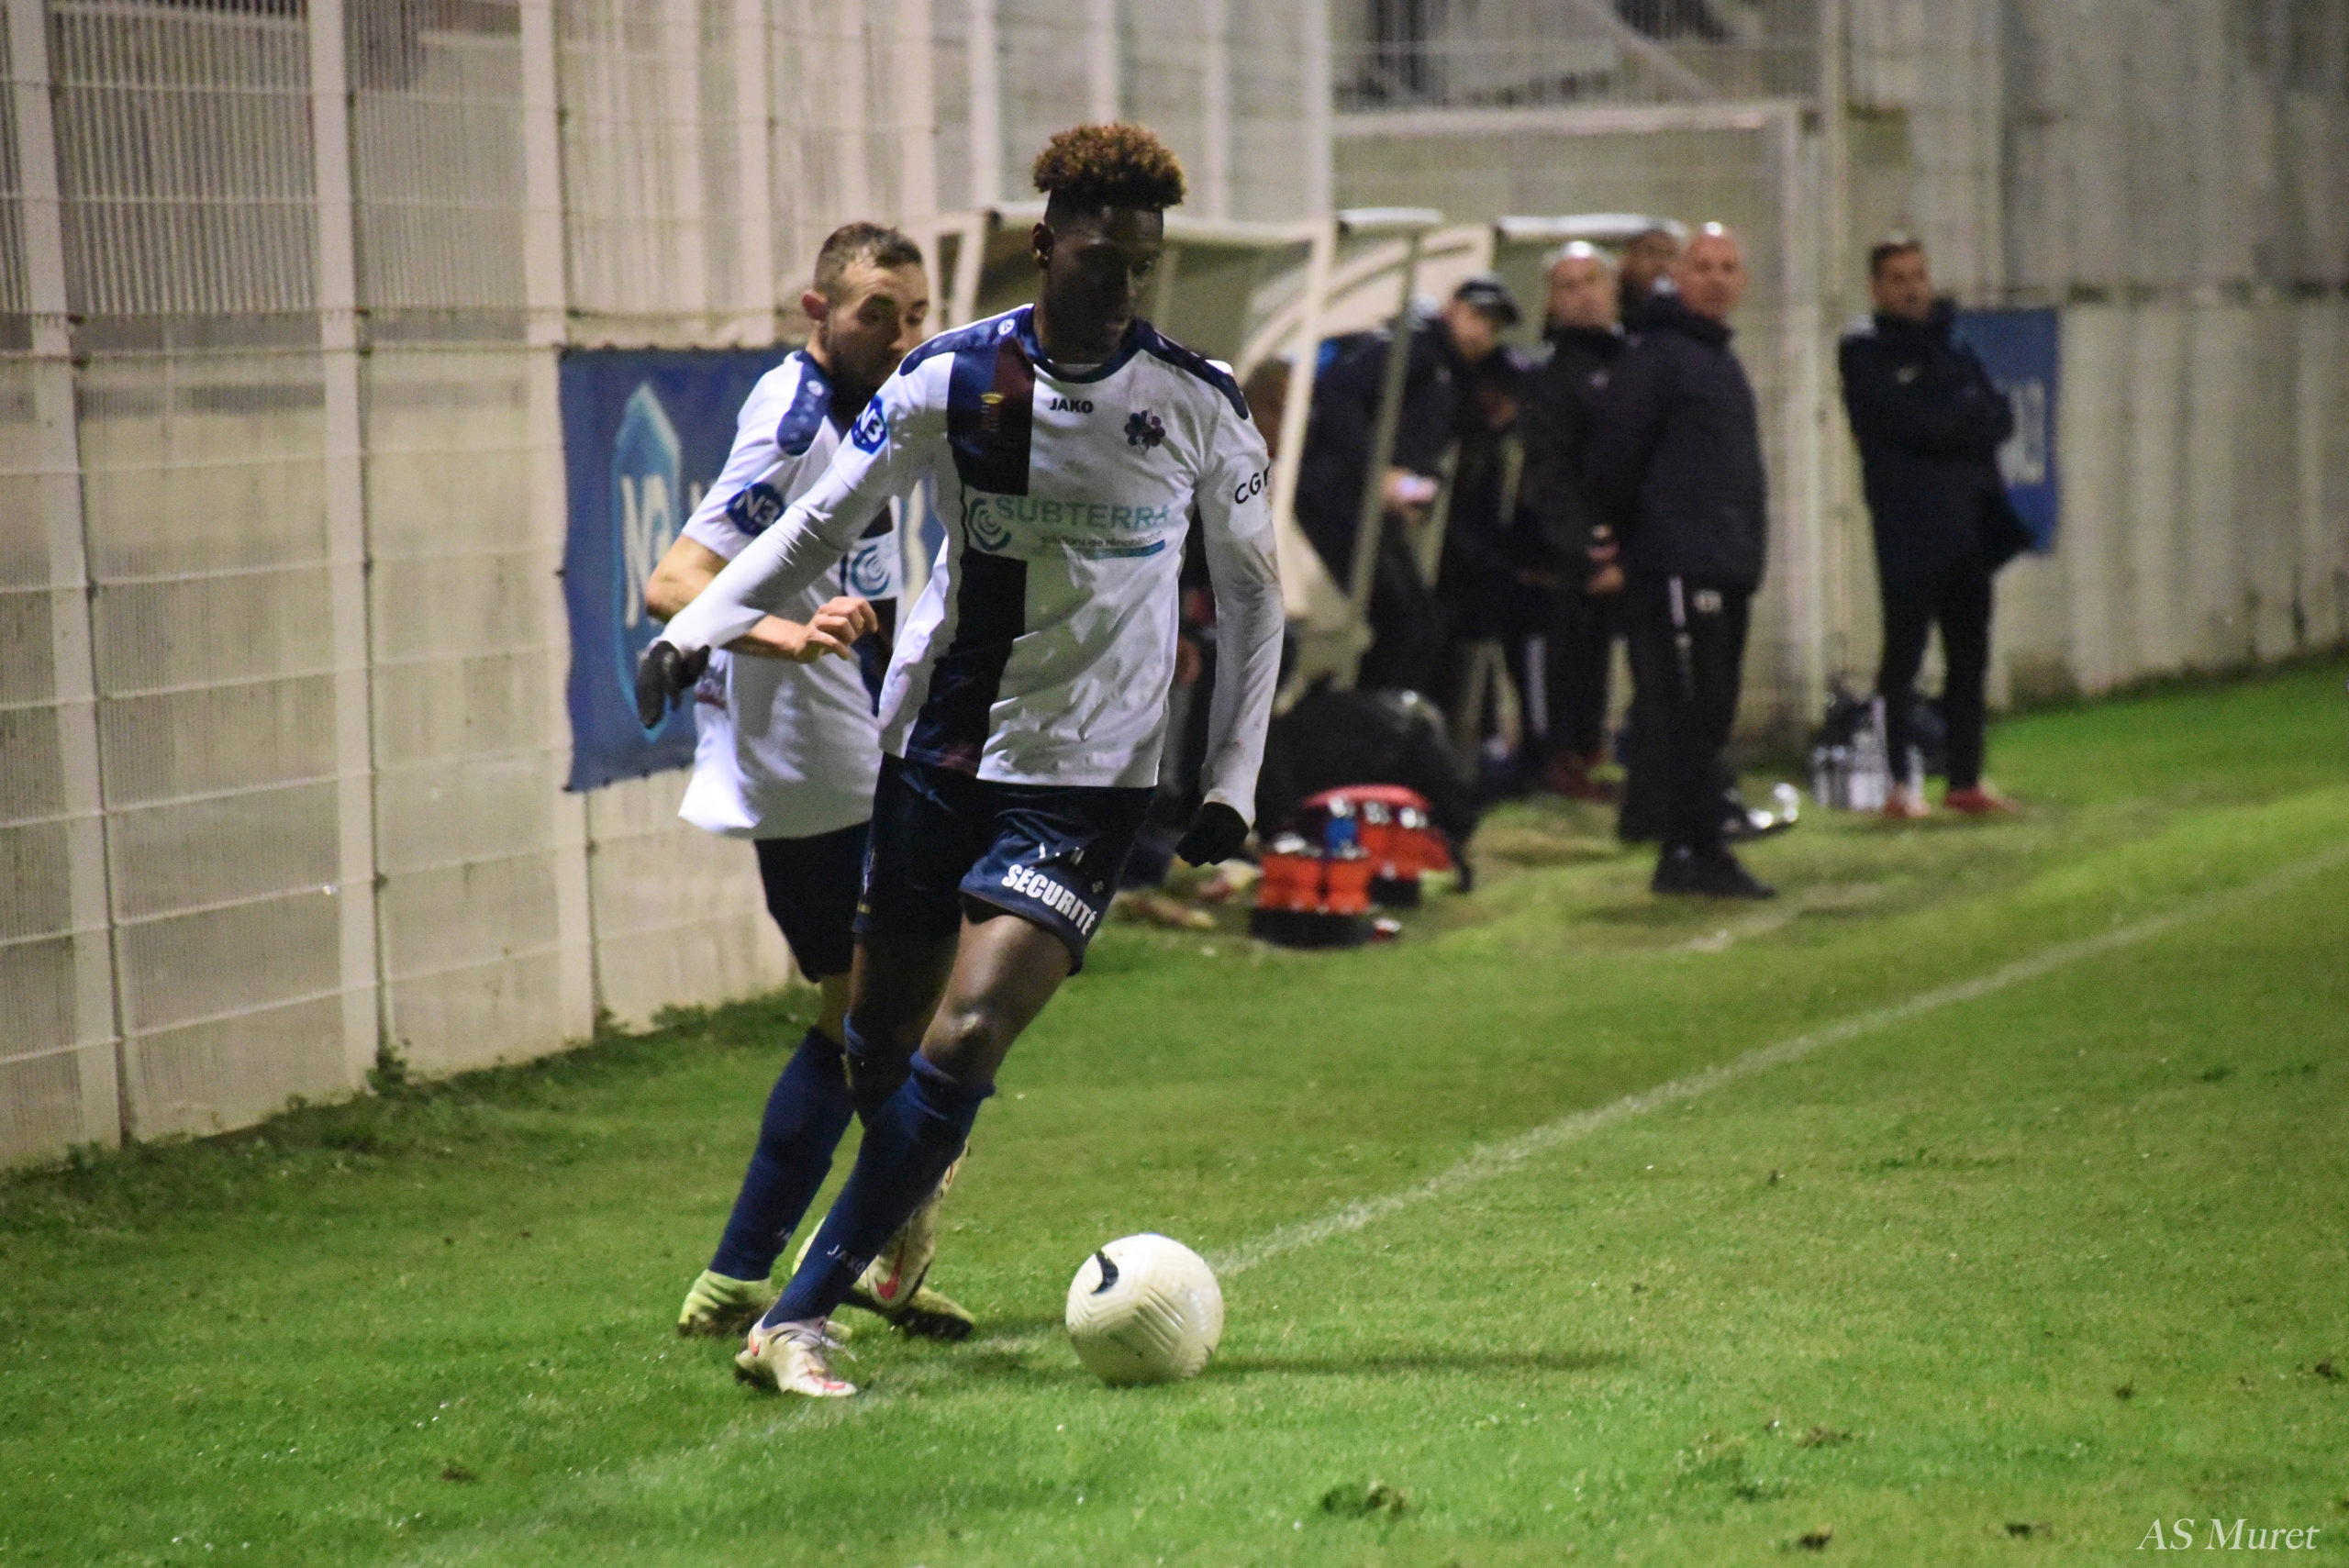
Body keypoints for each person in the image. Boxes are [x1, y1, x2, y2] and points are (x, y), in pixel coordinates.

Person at [638, 123, 1284, 1397]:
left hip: (1088, 776)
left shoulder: (1197, 400)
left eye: (1142, 263)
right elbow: (817, 522)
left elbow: (1255, 595)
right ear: (1045, 245)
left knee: (972, 1028)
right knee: (876, 1041)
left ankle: (795, 1317)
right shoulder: (950, 376)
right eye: (1100, 256)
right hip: (937, 747)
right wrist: (691, 628)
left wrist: (1231, 780)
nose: (1123, 284)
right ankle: (908, 1187)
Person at [643, 223, 975, 1344]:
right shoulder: (794, 425)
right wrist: (788, 633)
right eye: (878, 311)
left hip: (842, 749)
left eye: (916, 312)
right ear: (817, 310)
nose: (901, 333)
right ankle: (844, 1257)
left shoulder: (877, 406)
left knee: (871, 1020)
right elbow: (675, 580)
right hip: (807, 759)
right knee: (882, 1021)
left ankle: (766, 1271)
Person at [1586, 224, 1776, 898]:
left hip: (1722, 564)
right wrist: (1637, 542)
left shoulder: (1717, 358)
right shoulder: (1658, 358)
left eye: (1728, 267)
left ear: (1742, 281)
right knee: (1687, 710)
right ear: (1680, 277)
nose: (1717, 279)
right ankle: (1695, 849)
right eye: (1704, 266)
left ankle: (1688, 849)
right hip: (1677, 566)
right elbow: (1614, 460)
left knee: (1711, 710)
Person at [1840, 237, 2028, 817]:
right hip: (1908, 527)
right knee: (1904, 656)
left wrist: (1952, 423)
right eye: (1898, 278)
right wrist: (1957, 422)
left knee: (1969, 656)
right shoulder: (1864, 353)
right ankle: (1899, 784)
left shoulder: (1955, 345)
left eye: (1918, 276)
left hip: (1969, 524)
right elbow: (1905, 424)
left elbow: (1999, 416)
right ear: (1876, 288)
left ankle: (1965, 780)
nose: (1912, 289)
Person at [1293, 273, 1520, 696]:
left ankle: (1364, 711)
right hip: (1339, 495)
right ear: (1452, 309)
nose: (1483, 333)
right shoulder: (1415, 346)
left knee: (1413, 622)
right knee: (1409, 622)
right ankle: (1364, 714)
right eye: (1477, 317)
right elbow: (1337, 394)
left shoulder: (1446, 369)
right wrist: (1378, 472)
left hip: (1360, 501)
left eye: (1492, 326)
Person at [1516, 241, 1624, 799]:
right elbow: (1548, 473)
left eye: (1592, 280)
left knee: (1608, 653)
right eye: (1569, 285)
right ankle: (1563, 759)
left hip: (1629, 540)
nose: (1584, 295)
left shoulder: (1634, 360)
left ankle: (1598, 751)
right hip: (1569, 549)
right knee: (1569, 652)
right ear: (1552, 302)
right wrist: (1585, 545)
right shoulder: (1547, 374)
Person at [1615, 226, 1681, 332]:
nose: (1661, 263)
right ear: (1628, 259)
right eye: (1650, 253)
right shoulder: (1613, 309)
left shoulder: (1685, 311)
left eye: (1669, 255)